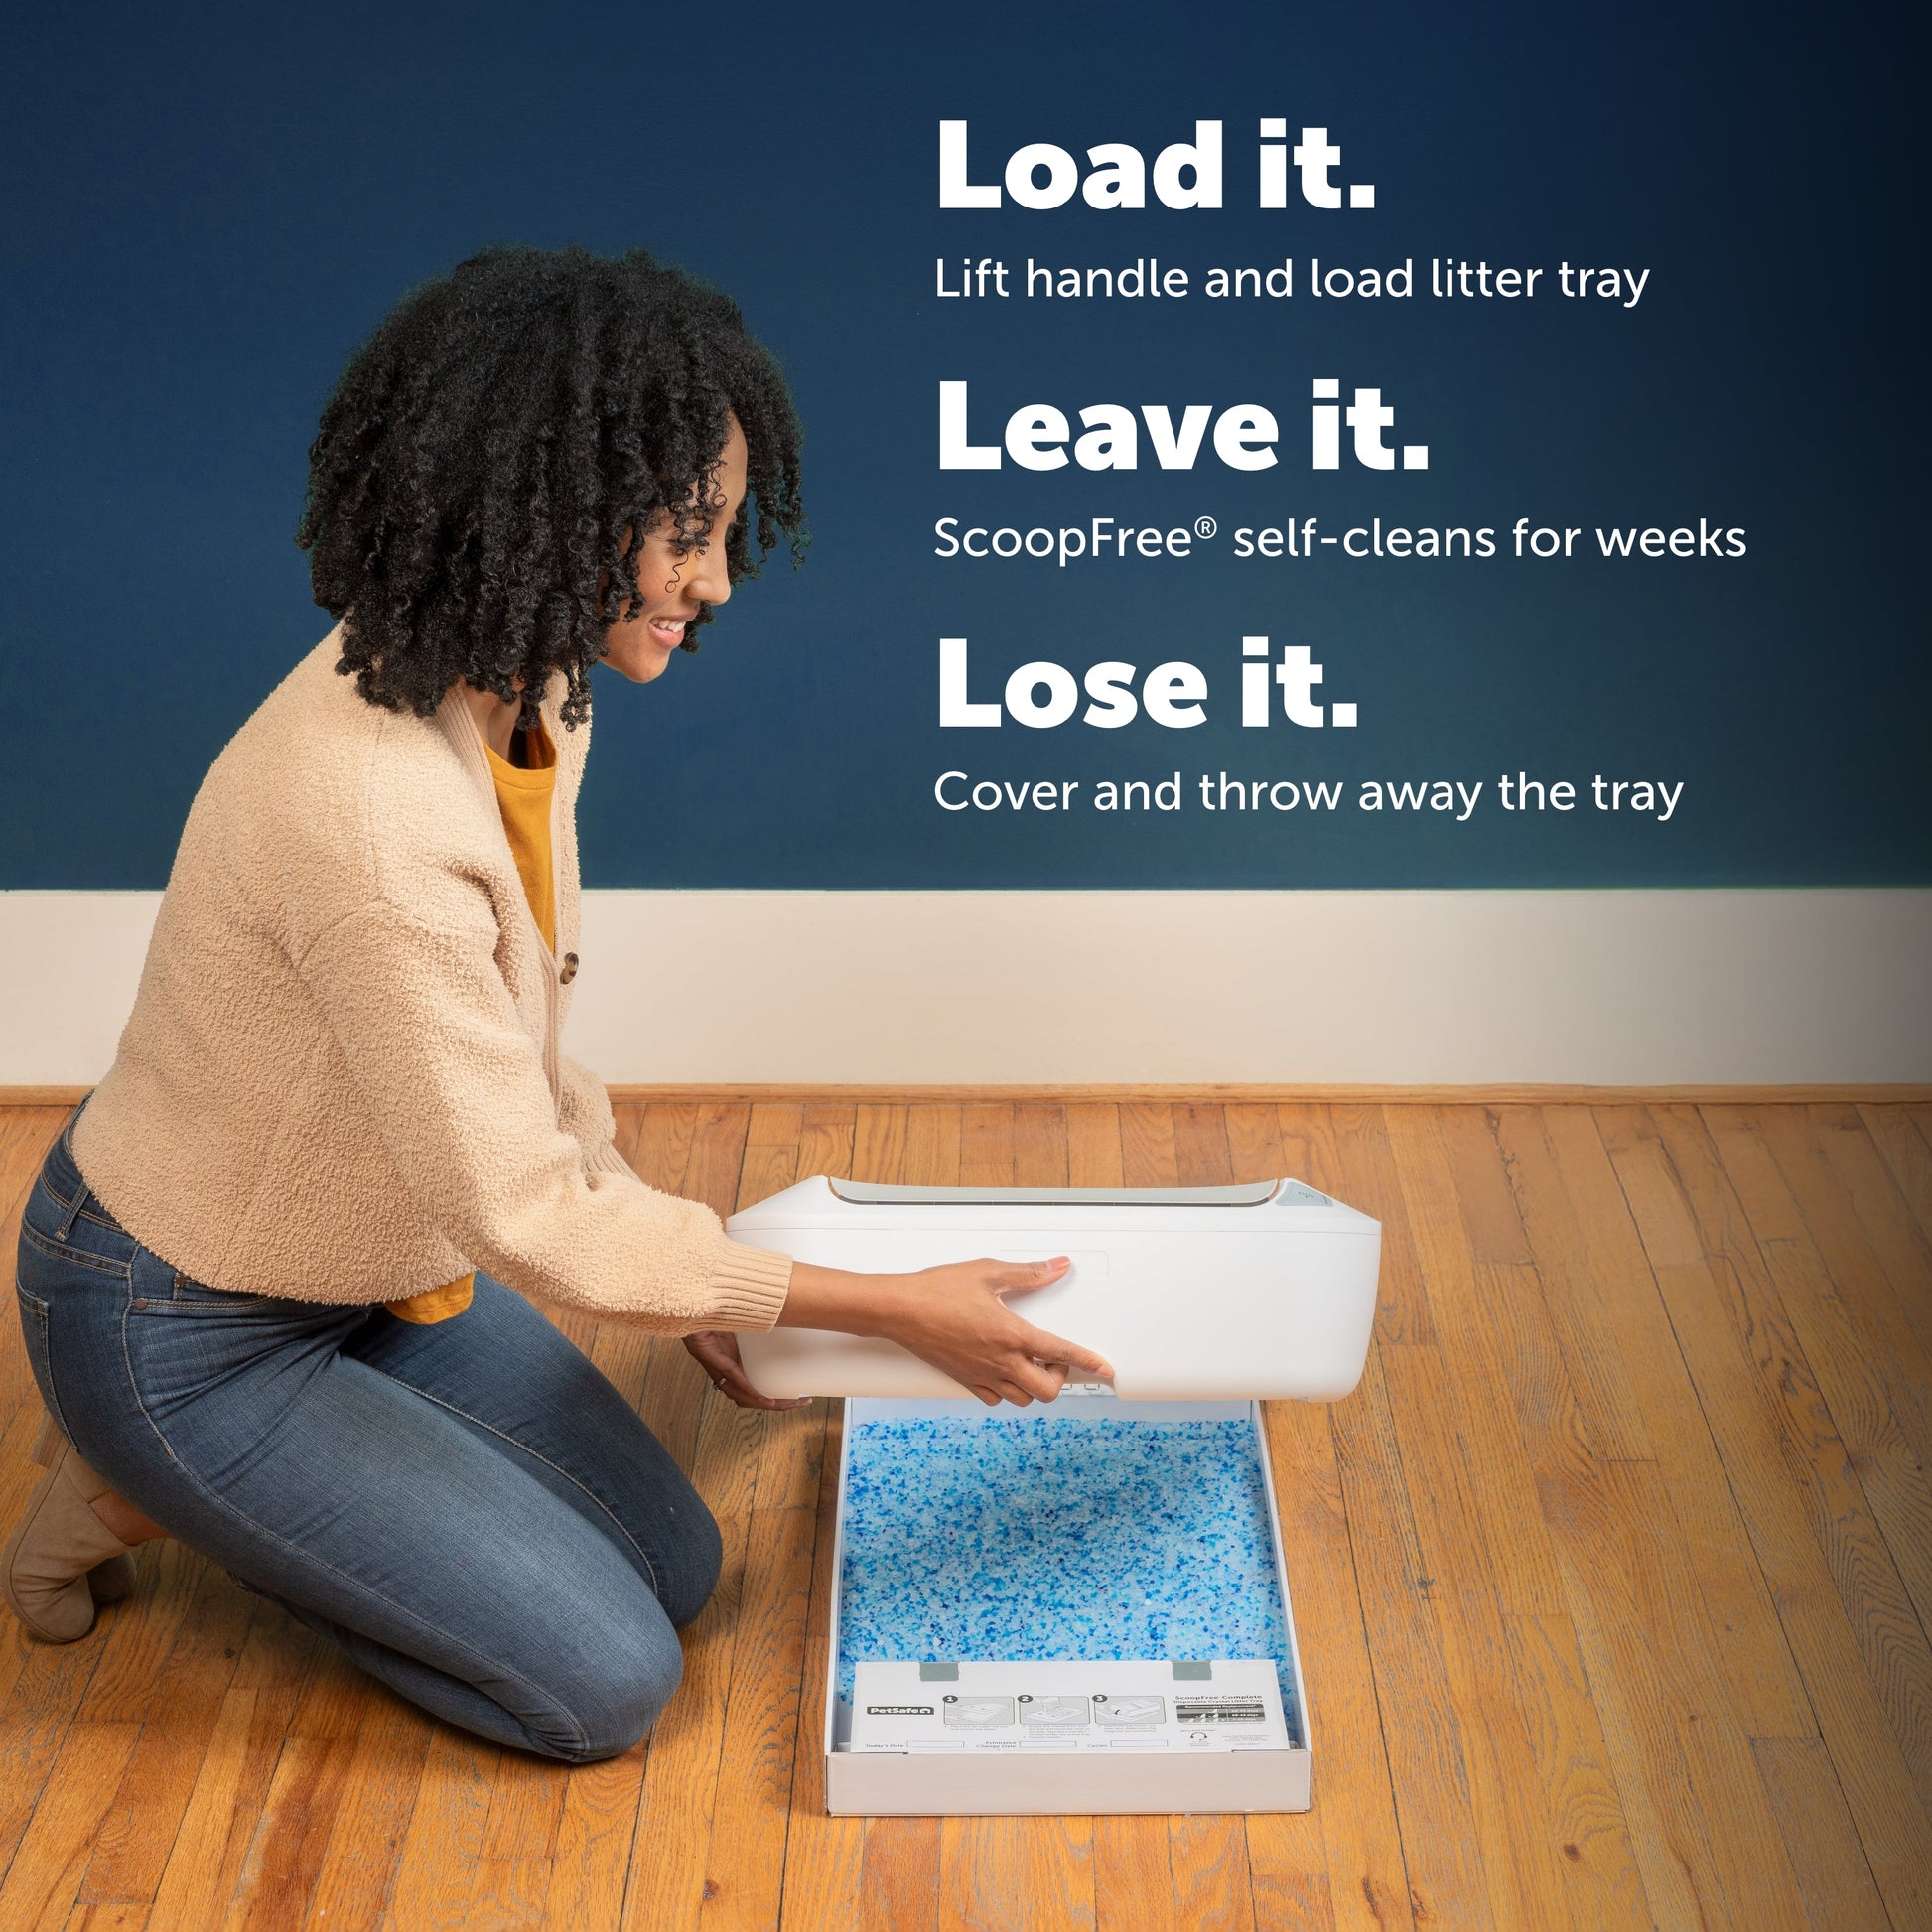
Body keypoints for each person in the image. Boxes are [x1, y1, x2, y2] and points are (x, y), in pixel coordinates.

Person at [2, 244, 1108, 1764]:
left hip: (382, 1266)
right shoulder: (371, 821)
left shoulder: (530, 685)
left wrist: (704, 1268)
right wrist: (874, 1310)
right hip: (180, 1320)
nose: (717, 581)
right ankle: (142, 1479)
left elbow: (519, 1054)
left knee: (681, 1569)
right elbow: (521, 1206)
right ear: (558, 513)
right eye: (689, 536)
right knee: (602, 1684)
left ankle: (246, 1486)